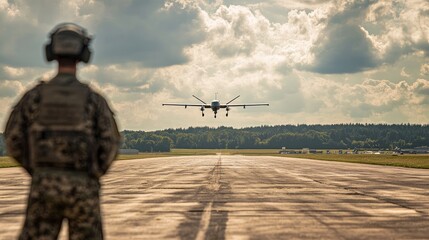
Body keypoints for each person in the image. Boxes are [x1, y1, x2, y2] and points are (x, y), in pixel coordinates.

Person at [4, 23, 120, 240]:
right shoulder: (94, 100)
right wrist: (92, 174)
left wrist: (38, 170)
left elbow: (13, 138)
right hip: (83, 188)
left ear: (51, 52)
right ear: (84, 54)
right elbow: (110, 142)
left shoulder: (34, 97)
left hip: (44, 187)